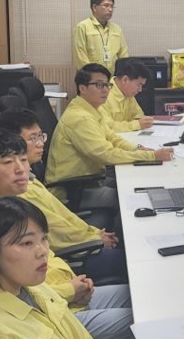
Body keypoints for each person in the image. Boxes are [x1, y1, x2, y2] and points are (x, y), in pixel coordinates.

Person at [0, 110, 126, 277]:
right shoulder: (19, 194)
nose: (40, 144)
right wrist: (95, 239)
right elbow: (56, 231)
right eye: (32, 138)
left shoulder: (28, 180)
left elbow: (64, 217)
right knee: (132, 260)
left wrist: (95, 234)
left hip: (69, 259)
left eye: (40, 137)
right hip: (72, 259)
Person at [0, 196, 113, 339]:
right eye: (27, 243)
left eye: (44, 238)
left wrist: (75, 301)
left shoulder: (35, 288)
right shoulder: (6, 336)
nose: (42, 251)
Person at [45, 64, 173, 194]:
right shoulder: (80, 118)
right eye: (99, 85)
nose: (106, 90)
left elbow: (112, 137)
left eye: (107, 85)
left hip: (92, 178)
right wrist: (151, 156)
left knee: (141, 181)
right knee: (131, 194)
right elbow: (107, 154)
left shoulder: (93, 108)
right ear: (82, 88)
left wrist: (137, 148)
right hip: (72, 190)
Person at [73, 0, 128, 74]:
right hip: (90, 77)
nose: (110, 9)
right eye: (106, 5)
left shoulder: (117, 29)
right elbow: (80, 56)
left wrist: (121, 75)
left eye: (112, 6)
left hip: (113, 78)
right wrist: (93, 76)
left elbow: (123, 55)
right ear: (94, 7)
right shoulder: (82, 27)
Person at [99, 58, 154, 132]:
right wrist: (136, 125)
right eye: (139, 85)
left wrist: (143, 121)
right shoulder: (102, 94)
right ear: (125, 80)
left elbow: (138, 116)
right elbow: (107, 127)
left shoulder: (128, 94)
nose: (140, 90)